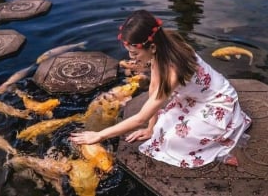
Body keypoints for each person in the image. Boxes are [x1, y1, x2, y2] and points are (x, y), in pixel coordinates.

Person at [70, 10, 252, 168]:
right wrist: (150, 128)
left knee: (175, 141)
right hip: (195, 97)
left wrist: (99, 135)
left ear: (152, 47)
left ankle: (223, 144)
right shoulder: (165, 42)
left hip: (217, 102)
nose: (130, 57)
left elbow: (140, 117)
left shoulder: (173, 70)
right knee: (160, 128)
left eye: (134, 53)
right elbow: (153, 88)